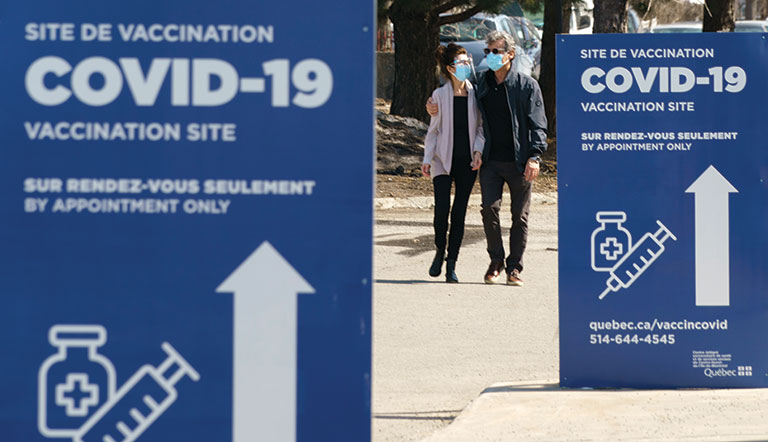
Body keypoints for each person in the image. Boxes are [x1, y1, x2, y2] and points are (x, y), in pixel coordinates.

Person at [427, 30, 547, 286]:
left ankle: (514, 268)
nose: (490, 56)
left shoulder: (527, 86)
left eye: (496, 51)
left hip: (520, 161)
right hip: (491, 161)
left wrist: (535, 156)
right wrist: (431, 104)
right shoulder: (480, 83)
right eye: (488, 51)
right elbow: (454, 89)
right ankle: (496, 261)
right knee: (489, 212)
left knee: (519, 217)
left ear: (510, 54)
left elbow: (538, 125)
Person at [423, 43, 484, 283]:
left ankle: (451, 263)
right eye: (461, 62)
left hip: (467, 162)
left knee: (459, 214)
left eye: (467, 61)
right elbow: (433, 131)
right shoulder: (439, 95)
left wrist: (478, 152)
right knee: (441, 211)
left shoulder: (475, 94)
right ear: (450, 68)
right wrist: (427, 159)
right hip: (442, 160)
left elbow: (480, 128)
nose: (467, 65)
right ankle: (439, 250)